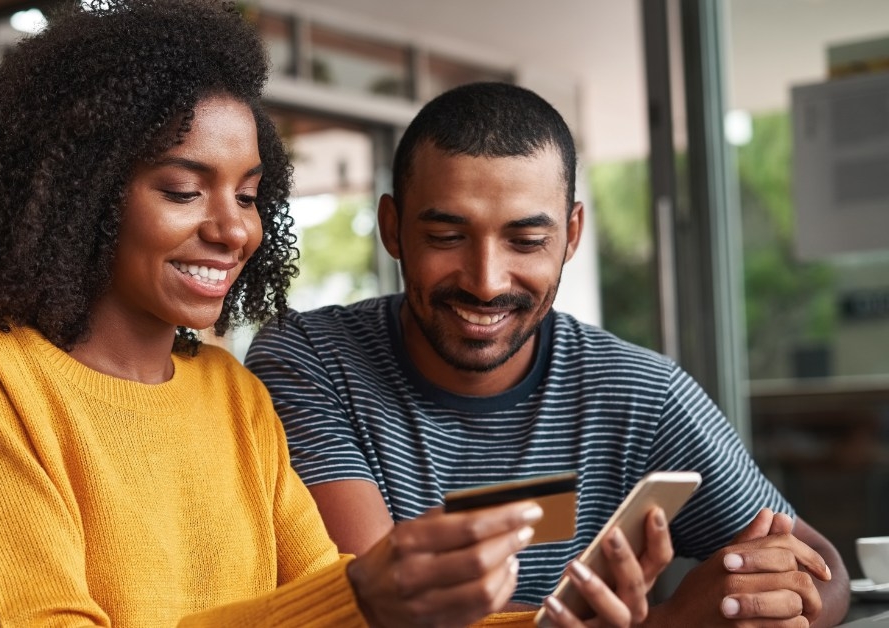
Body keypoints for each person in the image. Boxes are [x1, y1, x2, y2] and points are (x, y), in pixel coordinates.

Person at [0, 4, 667, 627]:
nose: (233, 229)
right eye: (184, 190)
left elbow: (329, 598)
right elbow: (339, 605)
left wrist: (551, 624)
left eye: (250, 194)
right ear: (83, 195)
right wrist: (361, 599)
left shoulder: (231, 394)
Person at [245, 81, 849, 626]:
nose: (486, 280)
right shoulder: (309, 362)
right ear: (393, 228)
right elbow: (388, 609)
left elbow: (823, 569)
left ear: (573, 235)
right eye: (446, 236)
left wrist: (757, 602)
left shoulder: (639, 393)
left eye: (527, 240)